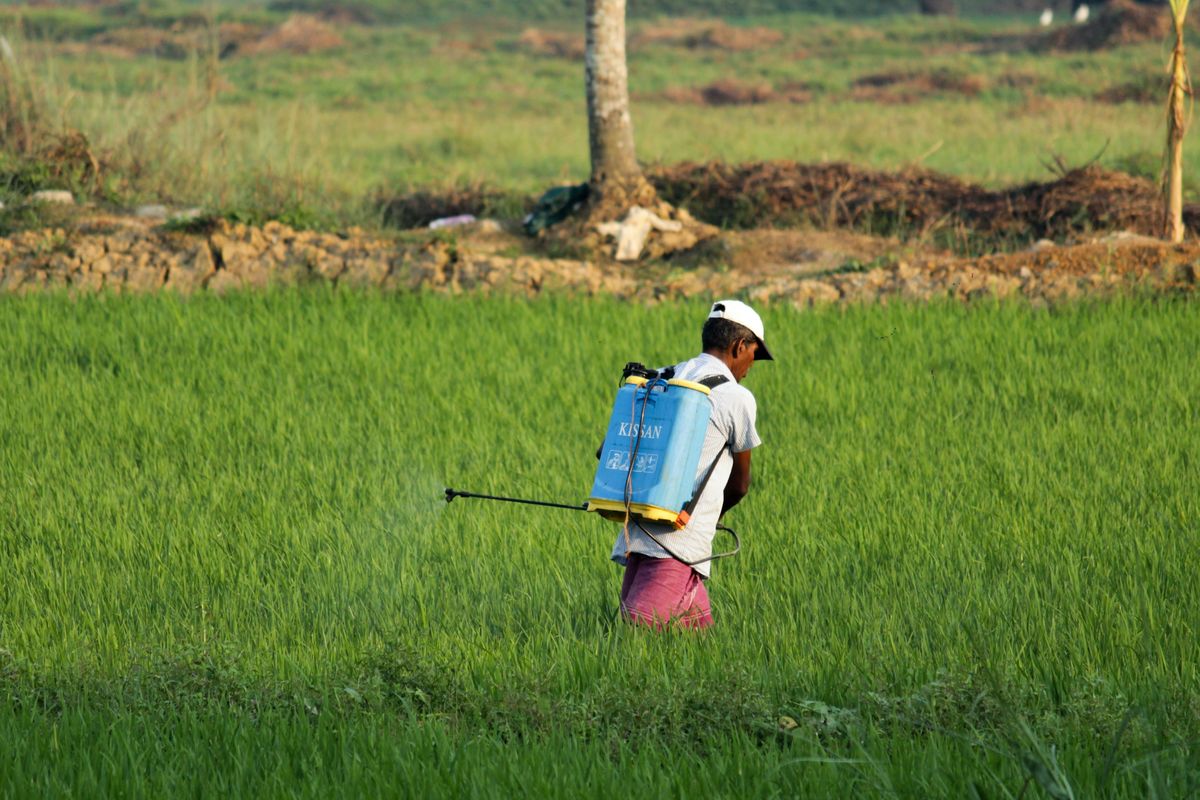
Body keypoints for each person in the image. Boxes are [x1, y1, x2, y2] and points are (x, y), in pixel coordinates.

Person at [611, 300, 772, 630]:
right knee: (637, 636)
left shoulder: (665, 376)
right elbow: (741, 484)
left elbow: (611, 447)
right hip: (679, 544)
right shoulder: (736, 397)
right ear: (739, 346)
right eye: (754, 353)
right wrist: (714, 517)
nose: (751, 365)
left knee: (697, 648)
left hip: (640, 532)